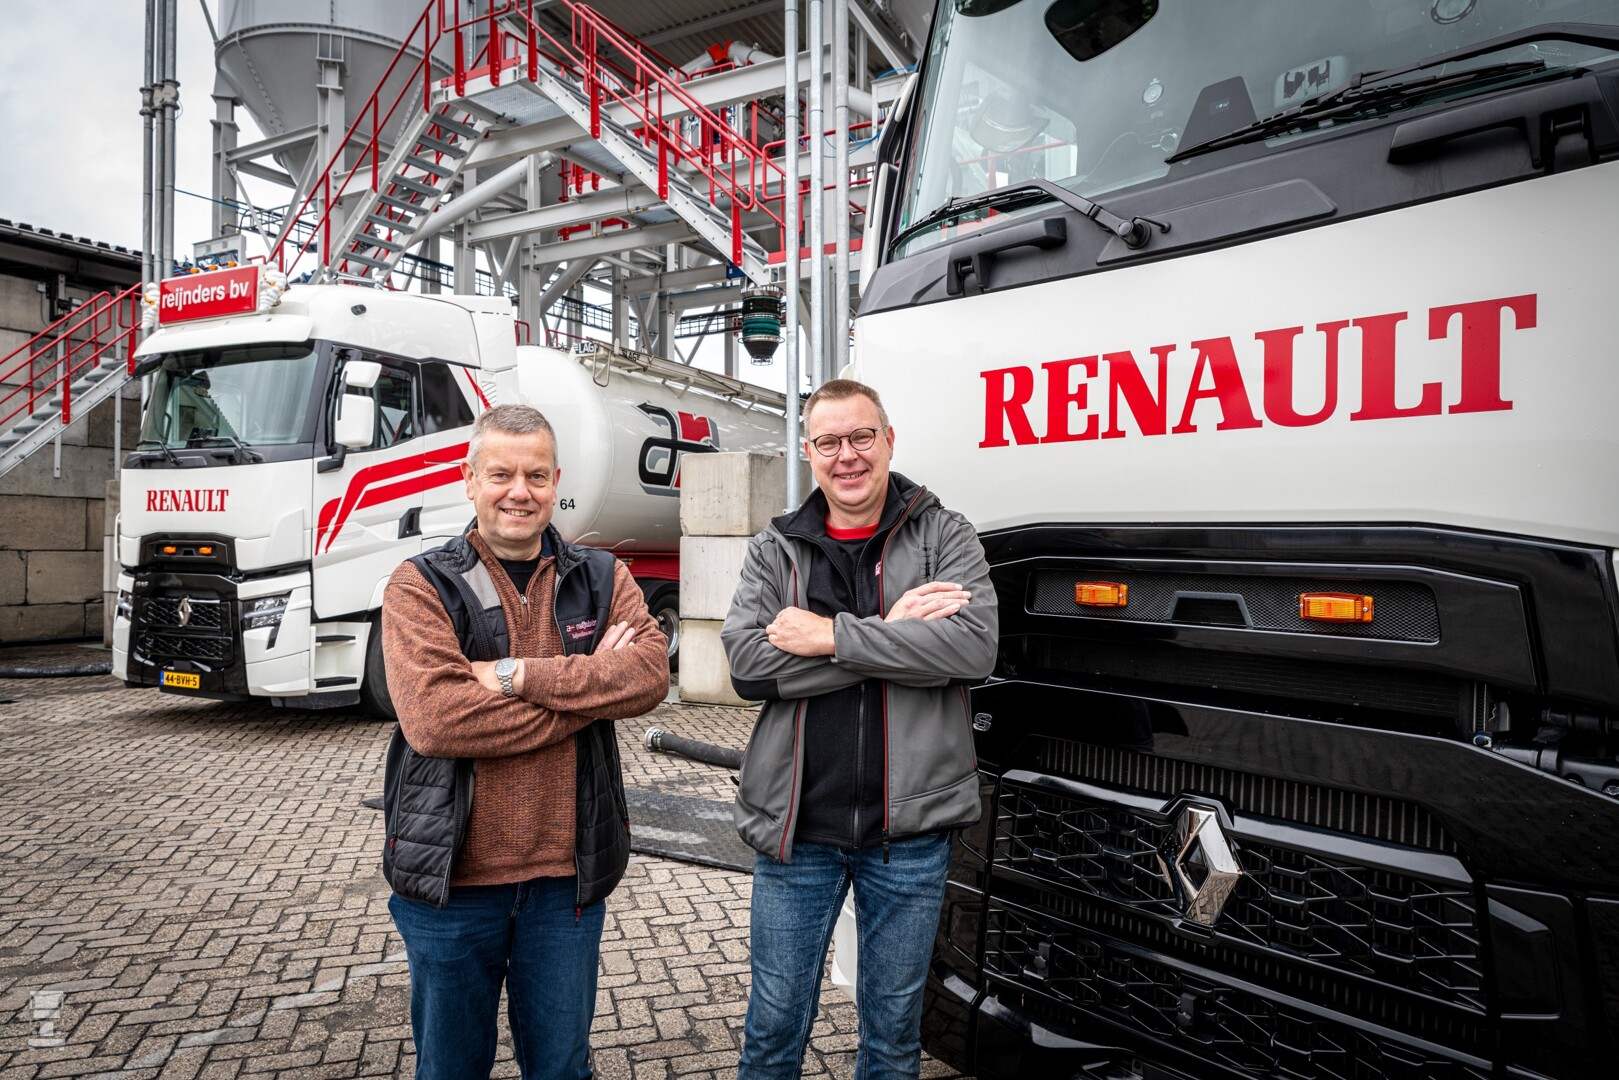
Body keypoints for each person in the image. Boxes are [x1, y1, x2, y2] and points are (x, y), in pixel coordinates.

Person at [379, 403, 669, 1080]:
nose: (520, 491)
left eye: (536, 475)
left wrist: (515, 676)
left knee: (562, 1069)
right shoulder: (421, 584)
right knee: (450, 1070)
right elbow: (437, 722)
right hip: (453, 886)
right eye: (501, 474)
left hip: (565, 886)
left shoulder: (601, 576)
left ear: (555, 481)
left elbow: (649, 675)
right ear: (469, 479)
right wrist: (589, 694)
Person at [721, 379, 998, 1078]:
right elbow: (749, 667)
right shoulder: (776, 547)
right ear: (808, 452)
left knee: (894, 1033)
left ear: (888, 441)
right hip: (797, 832)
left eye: (861, 437)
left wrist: (829, 638)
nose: (847, 455)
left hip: (908, 836)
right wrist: (892, 636)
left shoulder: (944, 535)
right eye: (828, 441)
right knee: (773, 1027)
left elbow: (971, 650)